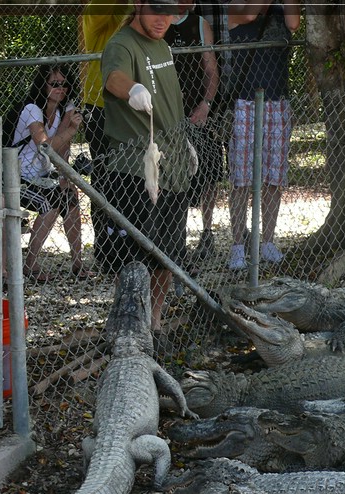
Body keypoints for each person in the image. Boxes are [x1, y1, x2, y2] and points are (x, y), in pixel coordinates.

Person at [97, 0, 192, 348]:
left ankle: (155, 322)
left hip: (174, 164)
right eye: (156, 9)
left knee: (165, 256)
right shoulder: (122, 43)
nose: (162, 18)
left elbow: (172, 102)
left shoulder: (164, 44)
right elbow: (114, 77)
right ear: (138, 5)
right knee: (133, 258)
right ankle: (129, 327)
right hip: (134, 168)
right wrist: (132, 89)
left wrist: (183, 143)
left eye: (169, 11)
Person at [226, 0, 301, 270]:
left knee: (273, 177)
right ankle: (237, 246)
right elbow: (248, 14)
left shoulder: (281, 11)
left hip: (277, 102)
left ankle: (267, 241)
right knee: (242, 179)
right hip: (244, 102)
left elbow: (294, 23)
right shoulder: (234, 6)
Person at [12, 65, 88, 282]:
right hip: (19, 175)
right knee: (52, 202)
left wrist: (66, 178)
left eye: (64, 84)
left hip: (44, 175)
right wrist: (71, 129)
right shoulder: (32, 109)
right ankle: (30, 263)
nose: (60, 89)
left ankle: (77, 263)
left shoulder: (64, 110)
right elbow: (46, 147)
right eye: (54, 84)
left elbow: (62, 150)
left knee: (70, 199)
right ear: (42, 85)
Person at [165, 2, 222, 263]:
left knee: (210, 169)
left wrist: (206, 105)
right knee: (173, 176)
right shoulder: (157, 22)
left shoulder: (200, 24)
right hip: (166, 115)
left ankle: (207, 234)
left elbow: (211, 69)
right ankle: (176, 240)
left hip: (199, 113)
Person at [82, 0, 133, 268]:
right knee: (104, 178)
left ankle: (130, 244)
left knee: (130, 178)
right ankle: (105, 248)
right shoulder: (97, 8)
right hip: (100, 107)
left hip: (130, 106)